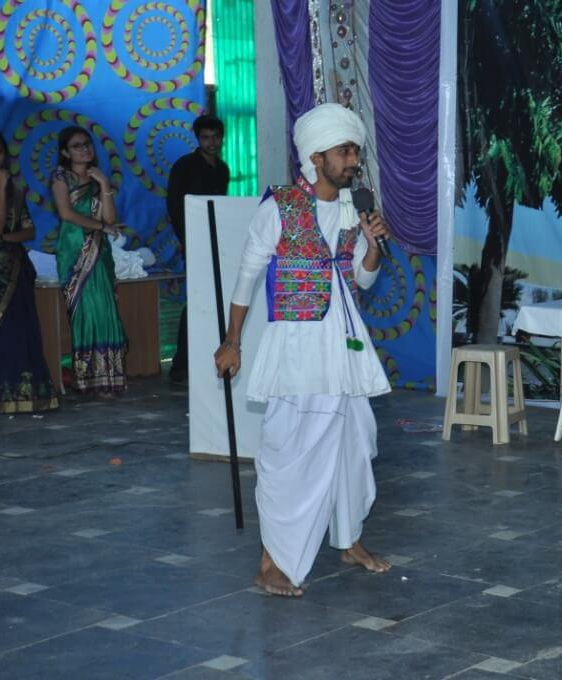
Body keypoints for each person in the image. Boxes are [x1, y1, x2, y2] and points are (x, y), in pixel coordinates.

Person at [214, 103, 392, 597]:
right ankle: (272, 561)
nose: (353, 159)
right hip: (298, 342)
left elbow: (362, 276)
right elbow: (247, 276)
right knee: (291, 448)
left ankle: (349, 539)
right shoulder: (280, 206)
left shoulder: (355, 208)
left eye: (355, 149)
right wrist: (232, 342)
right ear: (317, 158)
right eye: (344, 150)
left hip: (346, 343)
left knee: (356, 442)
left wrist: (375, 245)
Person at [0, 129, 58, 413]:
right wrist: (1, 188)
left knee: (19, 332)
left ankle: (23, 396)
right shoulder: (7, 189)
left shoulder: (15, 191)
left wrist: (2, 240)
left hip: (15, 270)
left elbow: (27, 229)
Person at [51, 126, 127, 396]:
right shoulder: (62, 177)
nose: (84, 149)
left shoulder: (98, 179)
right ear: (65, 152)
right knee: (86, 312)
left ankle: (108, 378)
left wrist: (105, 184)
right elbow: (66, 214)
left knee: (106, 308)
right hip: (74, 251)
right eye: (76, 146)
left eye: (87, 144)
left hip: (100, 251)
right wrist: (101, 227)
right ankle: (87, 379)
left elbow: (110, 219)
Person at [166, 114, 230, 386]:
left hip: (216, 242)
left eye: (216, 137)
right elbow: (174, 208)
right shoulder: (184, 167)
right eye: (206, 138)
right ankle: (180, 366)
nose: (211, 142)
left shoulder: (223, 168)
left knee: (215, 301)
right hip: (194, 242)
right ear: (197, 139)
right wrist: (188, 239)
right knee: (195, 302)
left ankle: (209, 359)